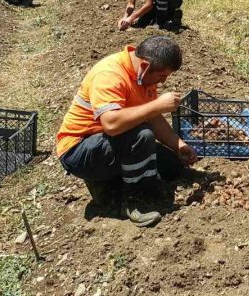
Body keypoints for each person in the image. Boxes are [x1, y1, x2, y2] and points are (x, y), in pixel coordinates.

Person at [55, 36, 198, 227]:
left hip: (111, 143)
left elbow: (152, 116)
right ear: (145, 66)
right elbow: (111, 125)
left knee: (171, 166)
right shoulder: (109, 75)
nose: (162, 82)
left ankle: (112, 184)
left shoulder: (143, 76)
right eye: (161, 77)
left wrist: (178, 145)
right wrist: (157, 105)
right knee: (142, 135)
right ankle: (134, 202)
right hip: (80, 150)